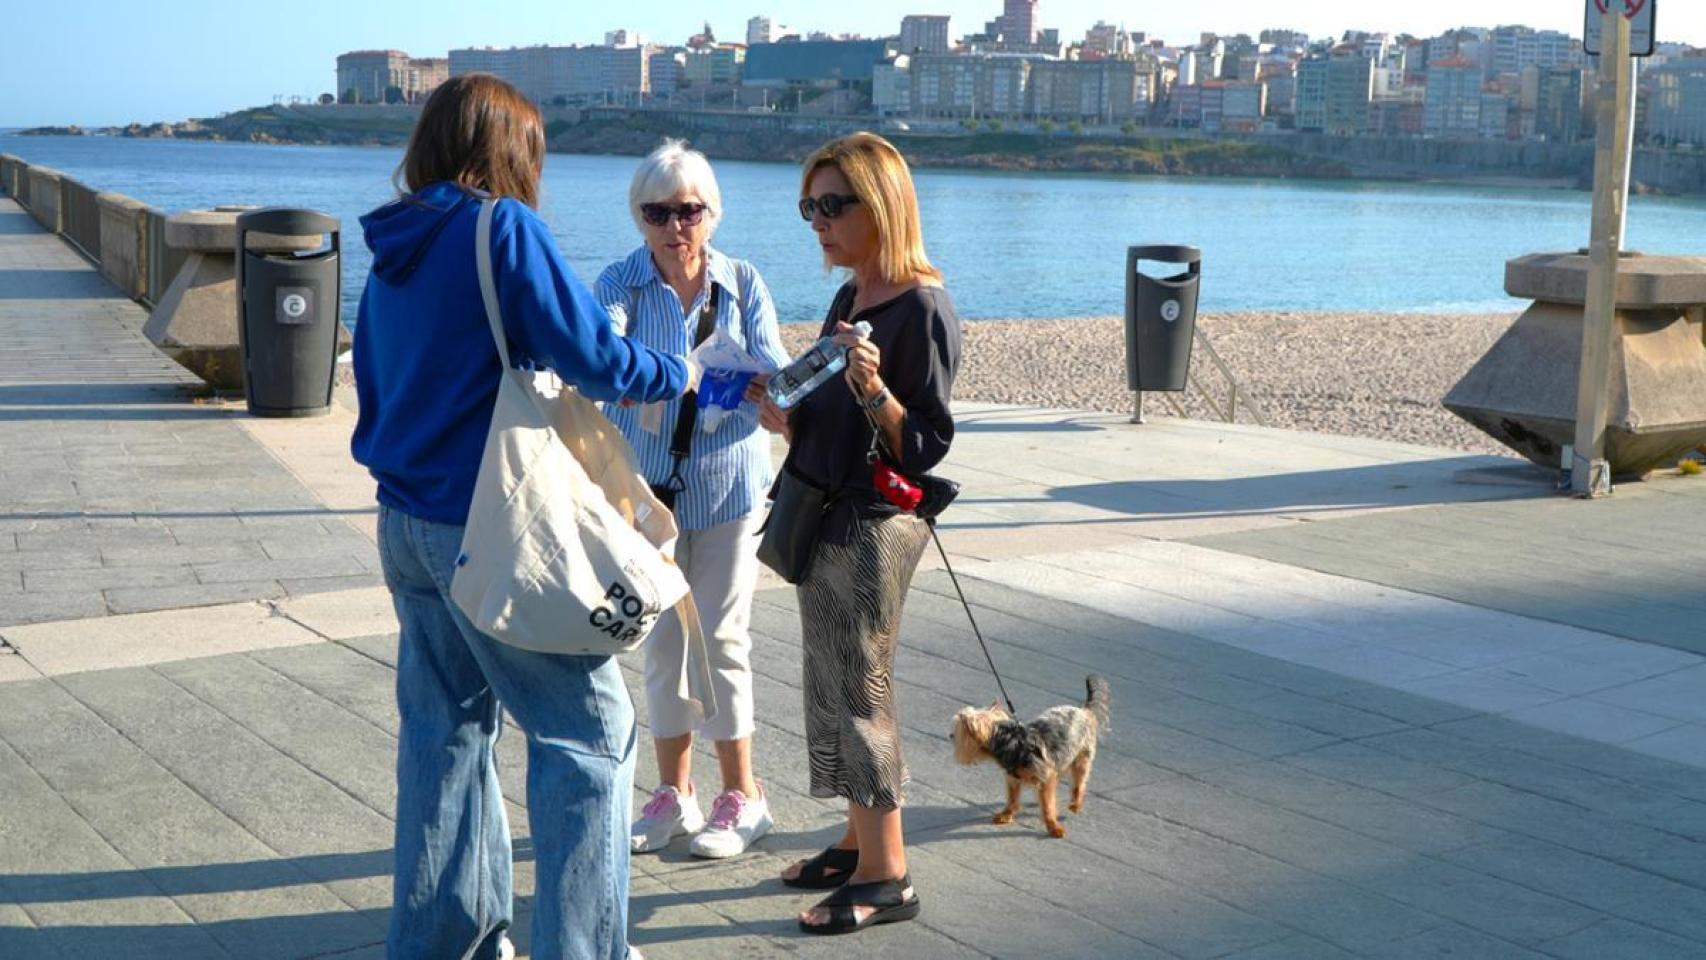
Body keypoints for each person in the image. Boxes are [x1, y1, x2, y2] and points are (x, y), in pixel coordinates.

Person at [351, 73, 689, 960]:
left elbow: (378, 379)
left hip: (404, 521)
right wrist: (674, 371)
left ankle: (444, 943)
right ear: (509, 149)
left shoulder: (392, 245)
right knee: (590, 733)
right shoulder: (501, 227)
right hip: (488, 522)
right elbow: (593, 355)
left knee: (446, 735)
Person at [750, 132, 962, 935]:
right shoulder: (852, 298)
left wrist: (875, 391)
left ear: (881, 205)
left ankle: (888, 875)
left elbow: (926, 444)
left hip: (874, 523)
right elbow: (826, 410)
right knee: (829, 683)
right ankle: (855, 843)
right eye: (809, 206)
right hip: (823, 509)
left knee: (862, 689)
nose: (818, 221)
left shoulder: (920, 306)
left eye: (833, 205)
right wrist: (785, 413)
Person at [597, 140, 790, 859]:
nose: (675, 226)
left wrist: (772, 390)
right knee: (662, 641)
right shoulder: (620, 282)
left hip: (729, 488)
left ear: (712, 212)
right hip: (646, 496)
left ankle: (743, 796)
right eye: (658, 213)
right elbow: (600, 352)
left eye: (688, 211)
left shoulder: (744, 283)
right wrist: (642, 375)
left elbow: (776, 368)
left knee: (723, 638)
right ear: (638, 218)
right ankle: (673, 794)